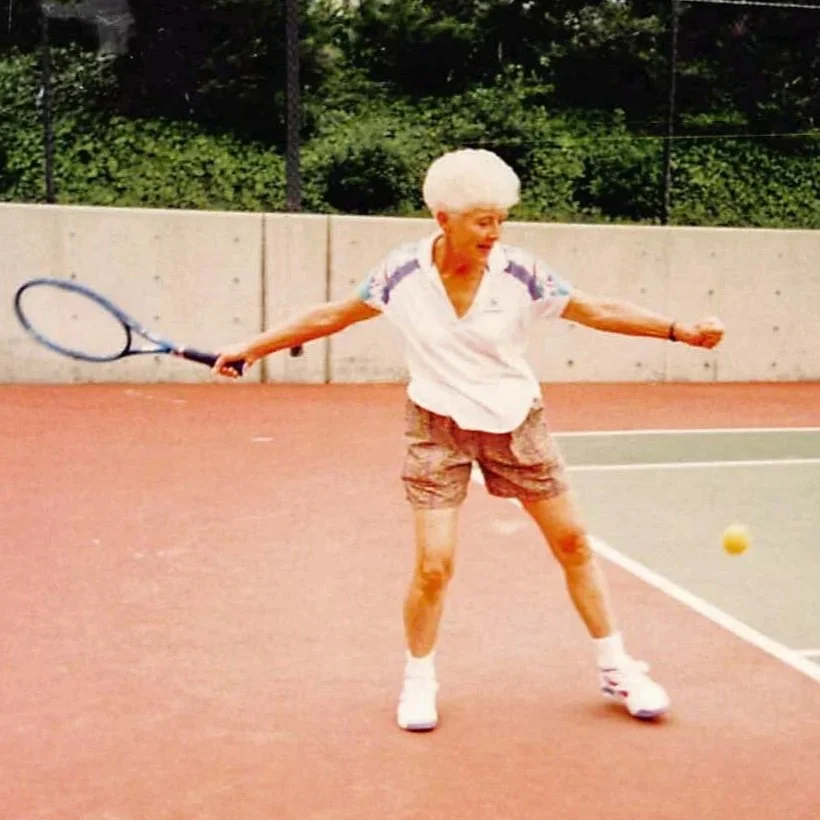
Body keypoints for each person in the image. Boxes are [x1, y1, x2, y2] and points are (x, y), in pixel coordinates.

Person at [213, 149, 725, 732]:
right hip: (436, 428)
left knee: (575, 545)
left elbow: (597, 309)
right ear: (442, 219)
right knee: (434, 566)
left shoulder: (522, 272)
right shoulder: (400, 274)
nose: (495, 231)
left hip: (515, 420)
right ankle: (419, 679)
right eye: (482, 220)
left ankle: (617, 667)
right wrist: (254, 347)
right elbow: (334, 314)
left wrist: (678, 330)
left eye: (501, 218)